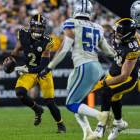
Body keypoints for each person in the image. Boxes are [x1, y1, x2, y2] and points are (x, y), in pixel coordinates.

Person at [39, 0, 115, 139]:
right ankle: (88, 132)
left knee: (71, 104)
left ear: (76, 9)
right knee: (75, 98)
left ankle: (101, 115)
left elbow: (64, 50)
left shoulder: (72, 23)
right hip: (96, 67)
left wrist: (49, 67)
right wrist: (121, 56)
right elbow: (108, 51)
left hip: (84, 65)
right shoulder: (98, 27)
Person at [3, 14, 66, 133]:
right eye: (36, 27)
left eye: (41, 27)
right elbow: (17, 49)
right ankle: (37, 109)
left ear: (44, 28)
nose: (38, 30)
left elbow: (43, 66)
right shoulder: (23, 34)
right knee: (20, 92)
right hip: (29, 71)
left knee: (50, 102)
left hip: (43, 73)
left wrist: (26, 70)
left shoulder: (47, 41)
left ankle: (61, 124)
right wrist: (10, 58)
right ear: (31, 26)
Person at [93, 18, 140, 140]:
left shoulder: (133, 49)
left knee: (106, 91)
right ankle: (119, 124)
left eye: (119, 33)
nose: (115, 34)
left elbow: (124, 75)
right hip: (115, 69)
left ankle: (101, 125)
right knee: (114, 99)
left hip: (128, 78)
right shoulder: (120, 36)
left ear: (127, 35)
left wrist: (103, 82)